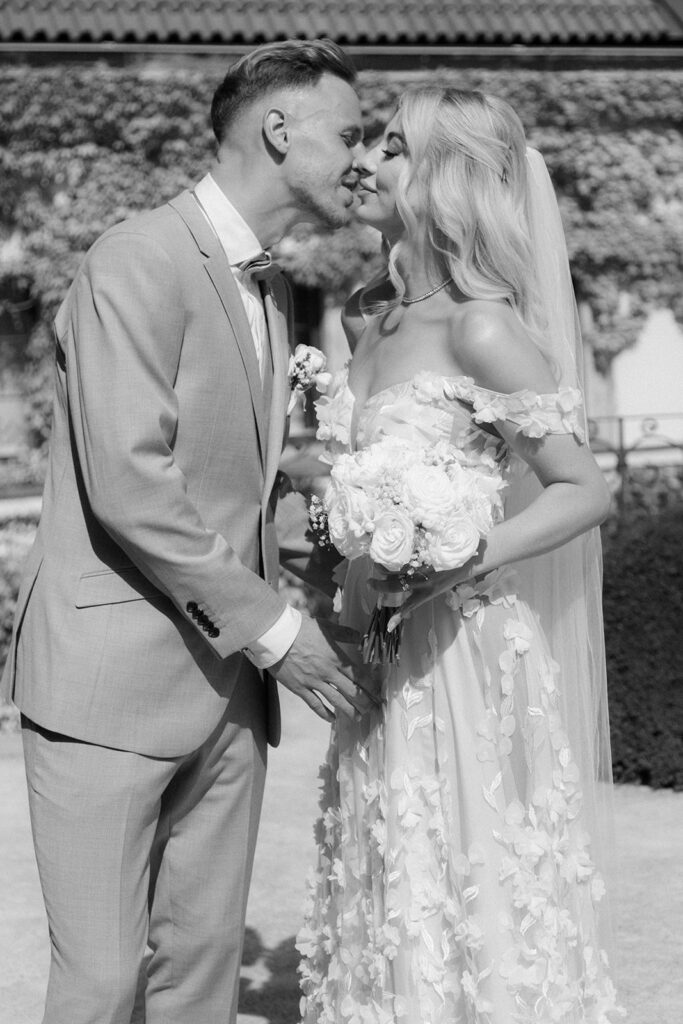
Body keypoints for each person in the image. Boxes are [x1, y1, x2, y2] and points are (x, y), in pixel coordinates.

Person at [1, 39, 371, 1024]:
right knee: (102, 981)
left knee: (200, 977)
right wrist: (278, 631)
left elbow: (223, 488)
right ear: (277, 130)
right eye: (350, 132)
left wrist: (339, 527)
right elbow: (130, 482)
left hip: (226, 698)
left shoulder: (269, 290)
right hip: (107, 681)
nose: (362, 158)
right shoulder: (137, 256)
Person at [298, 87, 623, 1022]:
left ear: (442, 178)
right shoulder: (372, 319)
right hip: (381, 641)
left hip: (466, 652)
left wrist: (463, 556)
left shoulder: (483, 324)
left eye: (392, 148)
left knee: (473, 865)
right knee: (390, 861)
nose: (366, 161)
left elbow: (584, 489)